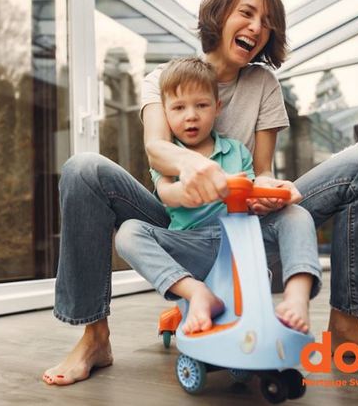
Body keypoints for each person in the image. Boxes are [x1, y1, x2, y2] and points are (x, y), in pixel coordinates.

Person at [43, 0, 358, 387]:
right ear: (219, 15)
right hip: (176, 218)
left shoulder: (264, 84)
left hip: (243, 223)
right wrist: (191, 167)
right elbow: (156, 149)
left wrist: (268, 193)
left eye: (267, 22)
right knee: (83, 168)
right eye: (246, 13)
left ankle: (348, 324)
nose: (256, 27)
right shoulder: (163, 79)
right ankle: (95, 338)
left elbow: (262, 169)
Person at [115, 57, 321, 335]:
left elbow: (251, 192)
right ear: (165, 112)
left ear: (217, 107)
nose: (191, 115)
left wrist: (266, 197)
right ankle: (196, 292)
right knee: (128, 233)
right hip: (190, 244)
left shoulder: (237, 151)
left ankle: (296, 297)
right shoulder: (169, 156)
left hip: (240, 240)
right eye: (178, 107)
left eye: (201, 105)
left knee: (296, 214)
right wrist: (185, 192)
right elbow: (166, 193)